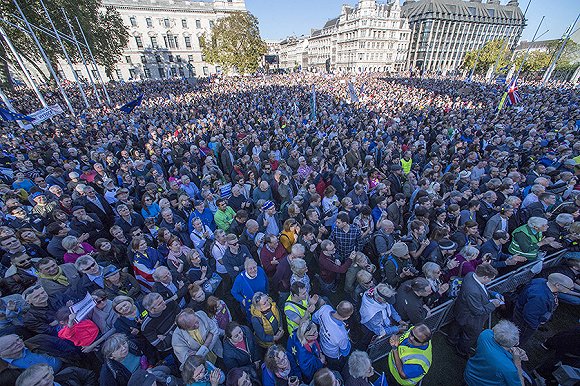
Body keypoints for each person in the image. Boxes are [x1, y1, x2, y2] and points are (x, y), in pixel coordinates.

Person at [448, 264, 502, 358]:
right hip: (470, 318)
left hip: (461, 311)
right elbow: (477, 311)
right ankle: (461, 351)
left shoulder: (471, 275)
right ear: (485, 277)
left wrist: (492, 294)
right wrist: (493, 304)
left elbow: (482, 288)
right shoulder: (473, 291)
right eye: (490, 279)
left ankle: (451, 339)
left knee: (456, 326)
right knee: (470, 336)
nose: (490, 281)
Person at [512, 273, 574, 345]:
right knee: (519, 338)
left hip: (521, 313)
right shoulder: (540, 298)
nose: (571, 290)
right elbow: (529, 315)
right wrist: (534, 326)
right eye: (569, 288)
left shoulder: (541, 281)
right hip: (524, 323)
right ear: (557, 285)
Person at [464, 320, 527, 386]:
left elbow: (493, 333)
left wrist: (511, 348)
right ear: (516, 343)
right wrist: (518, 363)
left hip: (470, 373)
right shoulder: (510, 368)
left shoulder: (485, 334)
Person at [312, 300, 353, 371]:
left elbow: (314, 319)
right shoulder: (341, 335)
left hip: (322, 346)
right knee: (336, 367)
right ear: (347, 317)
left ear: (337, 306)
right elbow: (345, 352)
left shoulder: (325, 308)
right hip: (332, 355)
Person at [140, 293, 180, 357]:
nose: (164, 303)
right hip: (173, 349)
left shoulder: (170, 303)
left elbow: (183, 320)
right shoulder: (146, 327)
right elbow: (162, 346)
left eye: (162, 300)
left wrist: (167, 335)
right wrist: (177, 325)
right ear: (151, 310)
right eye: (159, 304)